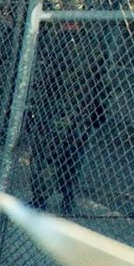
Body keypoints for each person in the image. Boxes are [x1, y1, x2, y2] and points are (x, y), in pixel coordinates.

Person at [25, 24, 110, 215]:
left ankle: (40, 198)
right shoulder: (96, 47)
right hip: (82, 113)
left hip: (54, 112)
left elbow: (45, 81)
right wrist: (98, 110)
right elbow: (102, 83)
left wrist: (33, 111)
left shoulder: (60, 45)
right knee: (72, 157)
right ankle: (67, 197)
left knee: (45, 156)